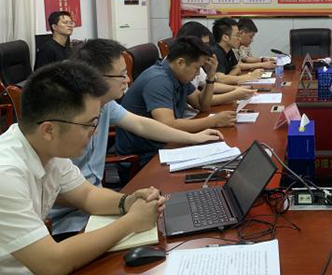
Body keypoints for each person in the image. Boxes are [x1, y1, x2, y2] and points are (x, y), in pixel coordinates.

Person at [0, 61, 165, 275]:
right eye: (89, 124)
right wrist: (131, 222)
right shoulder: (6, 174)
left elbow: (86, 195)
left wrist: (128, 202)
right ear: (49, 130)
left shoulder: (48, 150)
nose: (94, 133)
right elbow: (50, 265)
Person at [47, 39, 224, 239]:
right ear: (96, 78)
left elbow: (141, 124)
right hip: (67, 221)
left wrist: (193, 138)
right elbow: (71, 195)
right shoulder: (63, 122)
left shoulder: (105, 104)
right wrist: (126, 207)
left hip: (99, 205)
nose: (128, 79)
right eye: (122, 74)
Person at [115, 36, 236, 167]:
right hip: (143, 157)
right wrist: (214, 121)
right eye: (197, 68)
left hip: (166, 146)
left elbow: (202, 105)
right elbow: (168, 124)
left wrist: (211, 76)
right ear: (180, 63)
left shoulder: (178, 75)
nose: (197, 74)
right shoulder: (158, 80)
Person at [176, 21, 256, 103]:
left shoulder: (196, 62)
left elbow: (203, 97)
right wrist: (235, 92)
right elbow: (202, 101)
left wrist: (236, 88)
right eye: (205, 45)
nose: (207, 49)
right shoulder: (214, 53)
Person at [210, 18, 263, 85]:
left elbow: (237, 68)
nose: (240, 38)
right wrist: (249, 77)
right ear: (225, 37)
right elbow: (220, 79)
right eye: (237, 35)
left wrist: (228, 78)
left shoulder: (229, 50)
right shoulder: (215, 52)